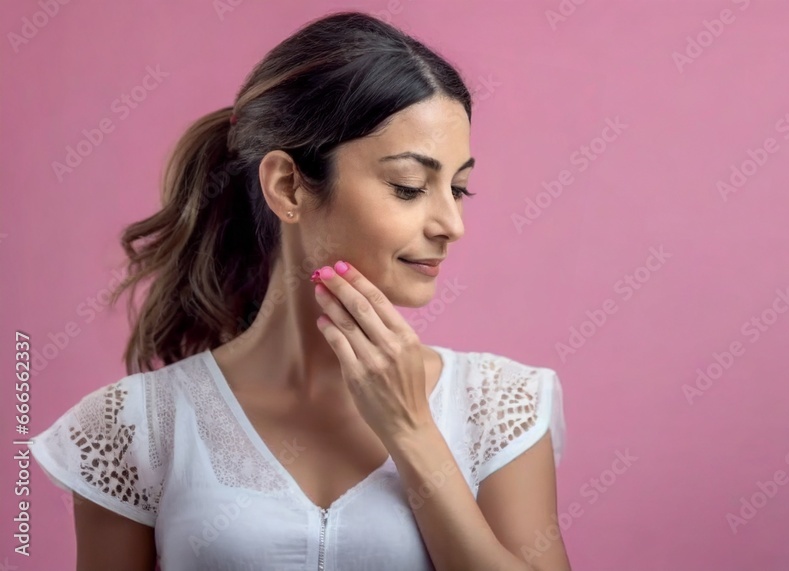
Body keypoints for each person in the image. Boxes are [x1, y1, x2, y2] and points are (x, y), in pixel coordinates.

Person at [28, 11, 569, 571]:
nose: (451, 225)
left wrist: (412, 431)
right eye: (409, 187)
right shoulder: (133, 426)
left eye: (457, 189)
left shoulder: (500, 406)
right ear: (288, 186)